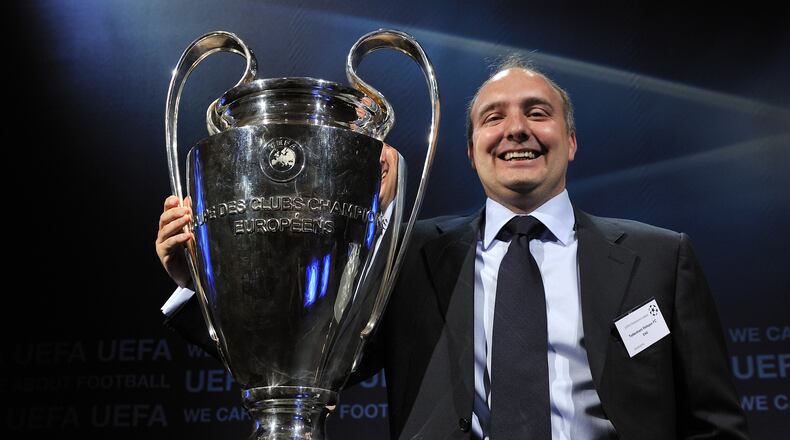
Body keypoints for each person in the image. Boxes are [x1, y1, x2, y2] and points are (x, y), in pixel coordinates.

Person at [156, 56, 748, 440]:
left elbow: (715, 425)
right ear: (471, 151)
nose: (516, 129)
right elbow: (314, 361)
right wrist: (207, 281)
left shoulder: (660, 258)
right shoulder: (407, 256)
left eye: (537, 114)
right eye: (494, 118)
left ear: (570, 141)